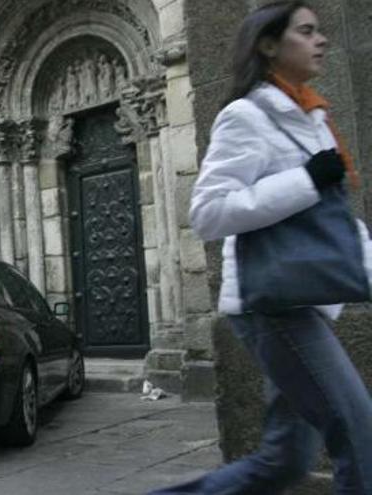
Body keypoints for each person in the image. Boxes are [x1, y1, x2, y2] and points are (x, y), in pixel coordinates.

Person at [149, 2, 372, 493]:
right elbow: (207, 213)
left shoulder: (311, 115)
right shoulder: (245, 116)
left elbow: (331, 222)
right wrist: (306, 180)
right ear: (269, 44)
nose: (322, 40)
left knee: (284, 462)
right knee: (359, 434)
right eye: (307, 31)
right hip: (274, 305)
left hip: (304, 301)